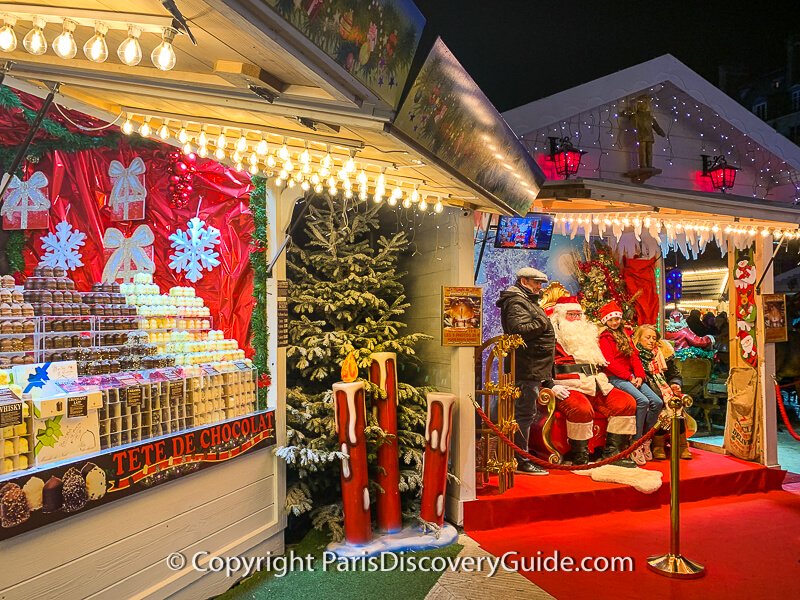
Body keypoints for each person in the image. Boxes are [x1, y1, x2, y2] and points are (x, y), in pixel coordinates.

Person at [549, 296, 637, 467]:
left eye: (578, 314)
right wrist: (550, 385)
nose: (575, 319)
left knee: (626, 402)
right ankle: (579, 456)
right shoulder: (552, 337)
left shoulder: (590, 337)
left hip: (596, 383)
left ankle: (612, 453)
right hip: (569, 384)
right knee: (581, 409)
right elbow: (541, 365)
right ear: (559, 316)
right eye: (571, 315)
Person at [496, 267, 568, 475]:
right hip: (526, 369)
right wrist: (543, 322)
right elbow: (518, 331)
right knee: (523, 414)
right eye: (536, 283)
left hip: (532, 368)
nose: (540, 287)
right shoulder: (516, 302)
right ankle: (520, 459)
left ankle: (520, 456)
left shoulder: (525, 300)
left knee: (525, 414)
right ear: (524, 281)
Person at [598, 301, 664, 465]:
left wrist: (640, 376)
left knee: (657, 401)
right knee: (642, 401)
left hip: (633, 376)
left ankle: (646, 439)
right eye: (611, 320)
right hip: (617, 377)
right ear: (606, 321)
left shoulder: (625, 334)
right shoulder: (605, 338)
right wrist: (629, 377)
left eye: (617, 319)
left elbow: (634, 357)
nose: (615, 322)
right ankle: (635, 442)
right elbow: (609, 363)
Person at [633, 325, 692, 460]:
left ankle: (682, 444)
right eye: (647, 337)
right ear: (639, 339)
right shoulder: (636, 356)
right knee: (661, 405)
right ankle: (657, 444)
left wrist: (675, 383)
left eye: (654, 338)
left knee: (675, 405)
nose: (651, 341)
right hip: (649, 390)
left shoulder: (663, 354)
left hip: (665, 389)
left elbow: (674, 374)